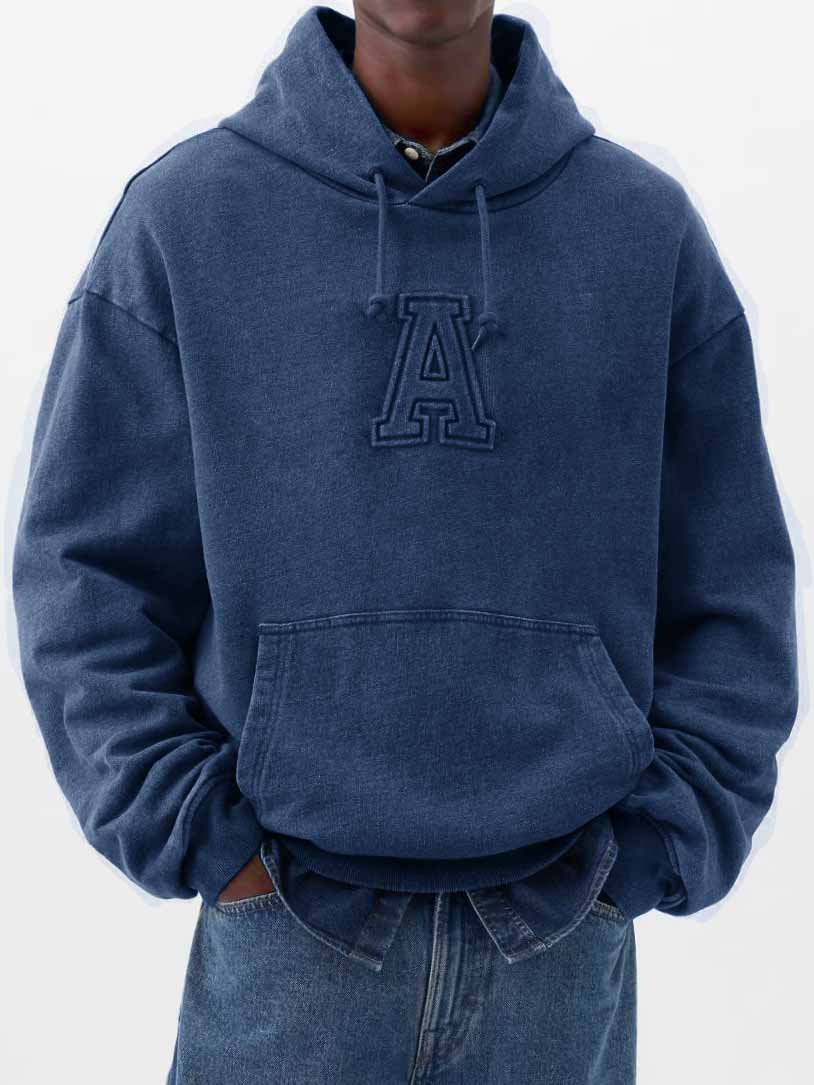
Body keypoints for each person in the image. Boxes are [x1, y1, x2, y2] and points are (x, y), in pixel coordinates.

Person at [13, 3, 798, 1082]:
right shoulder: (186, 218)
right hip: (288, 935)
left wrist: (662, 841)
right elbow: (82, 573)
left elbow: (735, 581)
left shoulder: (641, 231)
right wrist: (198, 833)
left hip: (560, 938)